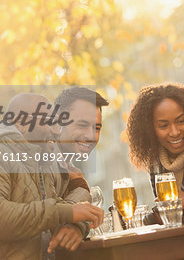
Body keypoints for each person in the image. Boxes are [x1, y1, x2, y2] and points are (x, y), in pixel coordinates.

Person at [0, 93, 104, 259]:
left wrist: (77, 225)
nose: (56, 132)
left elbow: (60, 210)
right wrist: (68, 212)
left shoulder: (39, 167)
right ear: (21, 123)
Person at [126, 83, 184, 209]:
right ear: (150, 129)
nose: (175, 132)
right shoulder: (155, 162)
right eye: (164, 126)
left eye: (181, 121)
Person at [47, 87, 109, 253]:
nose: (91, 136)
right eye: (82, 125)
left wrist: (77, 227)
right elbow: (44, 225)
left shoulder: (69, 171)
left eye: (97, 128)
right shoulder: (42, 160)